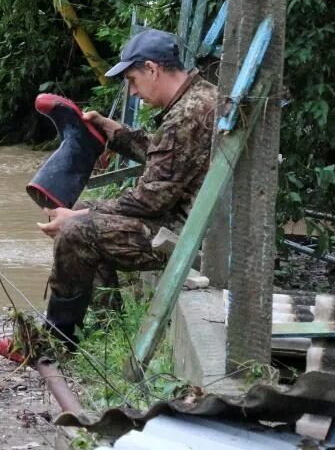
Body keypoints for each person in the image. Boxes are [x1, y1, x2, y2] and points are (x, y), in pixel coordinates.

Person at [35, 29, 217, 346]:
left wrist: (79, 217)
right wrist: (114, 132)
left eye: (133, 80)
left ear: (152, 68)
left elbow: (148, 201)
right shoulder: (198, 97)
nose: (132, 92)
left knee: (77, 231)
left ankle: (56, 341)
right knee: (81, 218)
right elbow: (165, 156)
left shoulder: (186, 115)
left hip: (187, 234)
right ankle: (106, 331)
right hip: (191, 220)